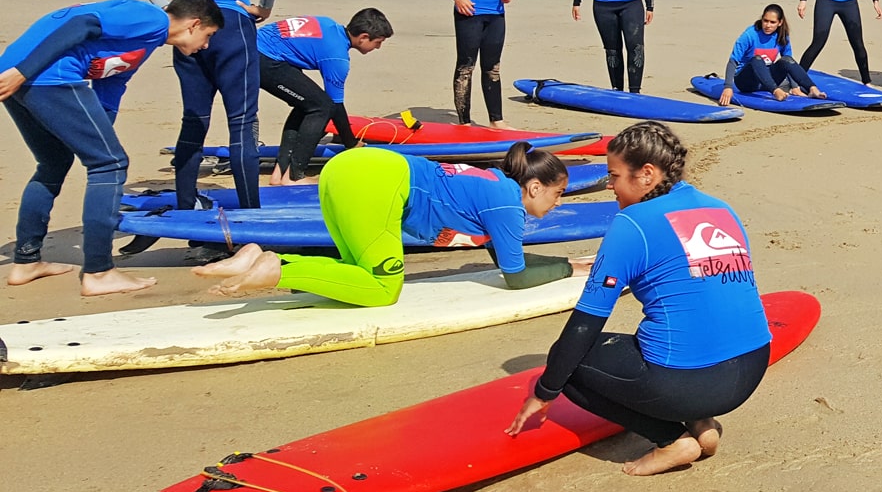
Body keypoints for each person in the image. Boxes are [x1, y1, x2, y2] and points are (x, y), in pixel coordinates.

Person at [507, 121, 774, 477]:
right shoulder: (720, 208)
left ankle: (671, 439)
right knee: (685, 325)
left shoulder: (632, 222)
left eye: (614, 176)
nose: (610, 186)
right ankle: (702, 423)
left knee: (565, 361)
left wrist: (544, 391)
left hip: (690, 384)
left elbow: (586, 322)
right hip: (752, 369)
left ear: (646, 174)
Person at [1, 0, 222, 296]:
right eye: (208, 36)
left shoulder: (143, 42)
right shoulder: (151, 19)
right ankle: (99, 272)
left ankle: (26, 261)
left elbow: (111, 86)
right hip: (39, 75)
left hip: (21, 76)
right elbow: (81, 24)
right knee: (110, 165)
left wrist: (98, 135)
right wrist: (23, 71)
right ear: (194, 25)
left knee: (54, 163)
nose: (206, 45)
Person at [192, 142, 588, 303]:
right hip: (379, 181)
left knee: (358, 272)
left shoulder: (495, 187)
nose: (556, 204)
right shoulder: (507, 206)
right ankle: (275, 270)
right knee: (383, 289)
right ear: (534, 186)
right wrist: (567, 268)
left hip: (350, 168)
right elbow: (515, 276)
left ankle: (257, 258)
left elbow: (505, 261)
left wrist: (567, 265)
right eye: (557, 194)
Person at [130, 0, 284, 256]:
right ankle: (251, 222)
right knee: (242, 124)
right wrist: (264, 6)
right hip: (232, 26)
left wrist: (169, 10)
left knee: (193, 121)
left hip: (188, 27)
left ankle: (185, 209)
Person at [257, 8, 394, 186]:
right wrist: (350, 143)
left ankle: (280, 173)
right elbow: (335, 107)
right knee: (321, 107)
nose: (378, 47)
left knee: (308, 104)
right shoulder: (337, 58)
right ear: (363, 37)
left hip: (255, 46)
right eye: (378, 42)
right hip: (262, 58)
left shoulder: (328, 24)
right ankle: (294, 176)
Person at [718, 5, 824, 105]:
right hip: (746, 81)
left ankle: (812, 89)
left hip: (767, 80)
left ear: (780, 22)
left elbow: (789, 64)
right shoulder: (750, 34)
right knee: (757, 59)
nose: (768, 25)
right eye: (765, 21)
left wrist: (795, 86)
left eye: (772, 22)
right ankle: (776, 91)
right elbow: (733, 61)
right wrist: (728, 87)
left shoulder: (782, 36)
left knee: (787, 59)